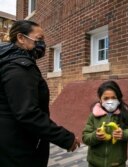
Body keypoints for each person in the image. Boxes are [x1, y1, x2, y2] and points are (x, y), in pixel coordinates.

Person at [0, 20, 80, 167]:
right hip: (18, 149)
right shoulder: (18, 69)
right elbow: (28, 113)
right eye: (39, 39)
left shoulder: (10, 62)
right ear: (21, 38)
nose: (43, 44)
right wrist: (65, 138)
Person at [82, 80, 128, 167]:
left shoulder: (125, 114)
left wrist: (124, 134)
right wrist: (95, 136)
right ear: (100, 99)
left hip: (117, 164)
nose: (110, 101)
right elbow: (85, 137)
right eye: (106, 98)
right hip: (94, 163)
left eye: (113, 97)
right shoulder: (94, 116)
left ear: (118, 98)